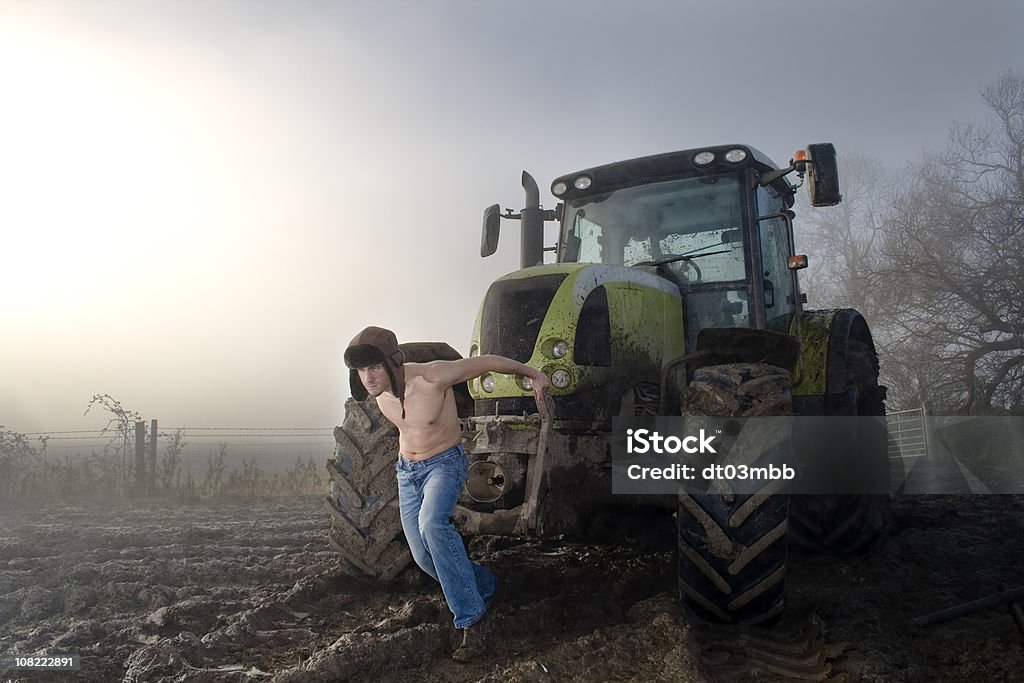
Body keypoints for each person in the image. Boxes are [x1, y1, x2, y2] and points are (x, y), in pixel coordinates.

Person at [343, 325, 549, 663]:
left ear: (393, 362)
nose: (368, 377)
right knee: (425, 558)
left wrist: (533, 374)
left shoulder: (432, 377)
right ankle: (483, 586)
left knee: (433, 526)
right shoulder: (377, 393)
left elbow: (485, 362)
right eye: (361, 370)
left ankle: (473, 622)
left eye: (374, 367)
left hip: (444, 465)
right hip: (406, 472)